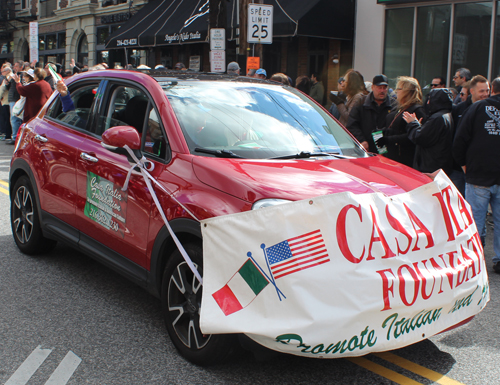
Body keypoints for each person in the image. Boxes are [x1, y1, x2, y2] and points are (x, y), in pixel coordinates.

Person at [452, 77, 500, 273]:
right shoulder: (478, 107)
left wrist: (464, 165)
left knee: (475, 220)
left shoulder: (477, 108)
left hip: (478, 173)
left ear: (492, 89)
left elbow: (460, 139)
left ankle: (473, 261)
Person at [403, 88, 454, 176]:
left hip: (431, 168)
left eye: (430, 99)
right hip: (439, 166)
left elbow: (420, 137)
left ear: (436, 100)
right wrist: (419, 126)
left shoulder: (437, 118)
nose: (428, 103)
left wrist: (412, 123)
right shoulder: (446, 115)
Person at [377, 76, 425, 167]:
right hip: (393, 156)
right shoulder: (400, 108)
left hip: (405, 159)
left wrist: (389, 139)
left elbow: (414, 136)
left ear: (406, 92)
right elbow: (398, 129)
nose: (396, 91)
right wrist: (385, 132)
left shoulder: (417, 110)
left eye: (399, 89)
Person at [345, 74, 392, 153]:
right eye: (379, 88)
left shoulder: (393, 105)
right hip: (365, 149)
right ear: (373, 87)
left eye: (384, 88)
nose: (382, 91)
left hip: (386, 150)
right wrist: (362, 140)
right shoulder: (361, 103)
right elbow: (352, 124)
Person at [5, 60, 23, 144]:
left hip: (16, 99)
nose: (14, 68)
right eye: (14, 66)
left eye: (16, 66)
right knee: (13, 118)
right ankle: (15, 136)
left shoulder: (22, 75)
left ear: (21, 67)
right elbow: (9, 87)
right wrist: (7, 82)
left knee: (14, 118)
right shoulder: (13, 75)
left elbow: (20, 87)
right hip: (12, 98)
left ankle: (16, 137)